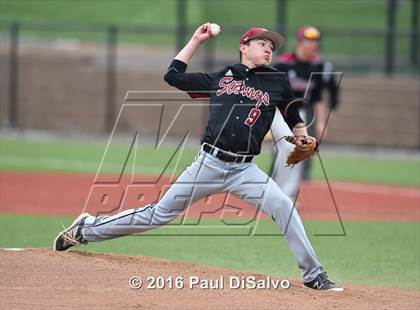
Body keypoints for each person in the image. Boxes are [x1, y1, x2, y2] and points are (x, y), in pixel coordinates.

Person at [53, 23, 343, 291]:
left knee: (283, 205)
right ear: (244, 47)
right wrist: (196, 40)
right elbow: (173, 76)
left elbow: (293, 113)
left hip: (245, 171)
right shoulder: (223, 76)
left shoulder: (276, 80)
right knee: (157, 214)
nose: (269, 48)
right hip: (208, 164)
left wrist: (302, 135)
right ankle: (86, 229)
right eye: (262, 43)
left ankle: (313, 274)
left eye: (272, 45)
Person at [270, 26, 340, 201]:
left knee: (301, 151)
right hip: (281, 112)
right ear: (300, 42)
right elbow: (269, 92)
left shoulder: (319, 66)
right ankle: (275, 190)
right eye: (309, 41)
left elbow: (318, 98)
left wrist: (322, 122)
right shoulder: (283, 64)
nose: (313, 45)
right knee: (282, 152)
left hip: (303, 113)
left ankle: (288, 195)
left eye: (315, 42)